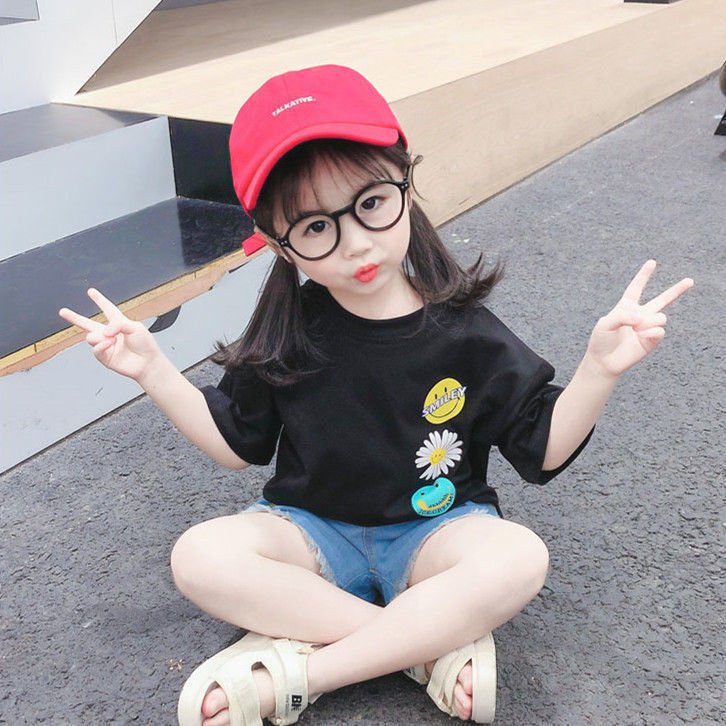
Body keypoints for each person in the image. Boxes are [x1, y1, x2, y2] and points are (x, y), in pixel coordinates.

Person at [58, 65, 693, 726]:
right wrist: (153, 370)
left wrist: (599, 370)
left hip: (436, 534)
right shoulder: (288, 332)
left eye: (370, 203)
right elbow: (236, 445)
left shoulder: (465, 330)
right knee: (199, 555)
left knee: (518, 557)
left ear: (405, 182)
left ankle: (307, 671)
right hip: (311, 532)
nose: (355, 243)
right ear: (278, 245)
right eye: (314, 227)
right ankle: (423, 645)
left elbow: (543, 449)